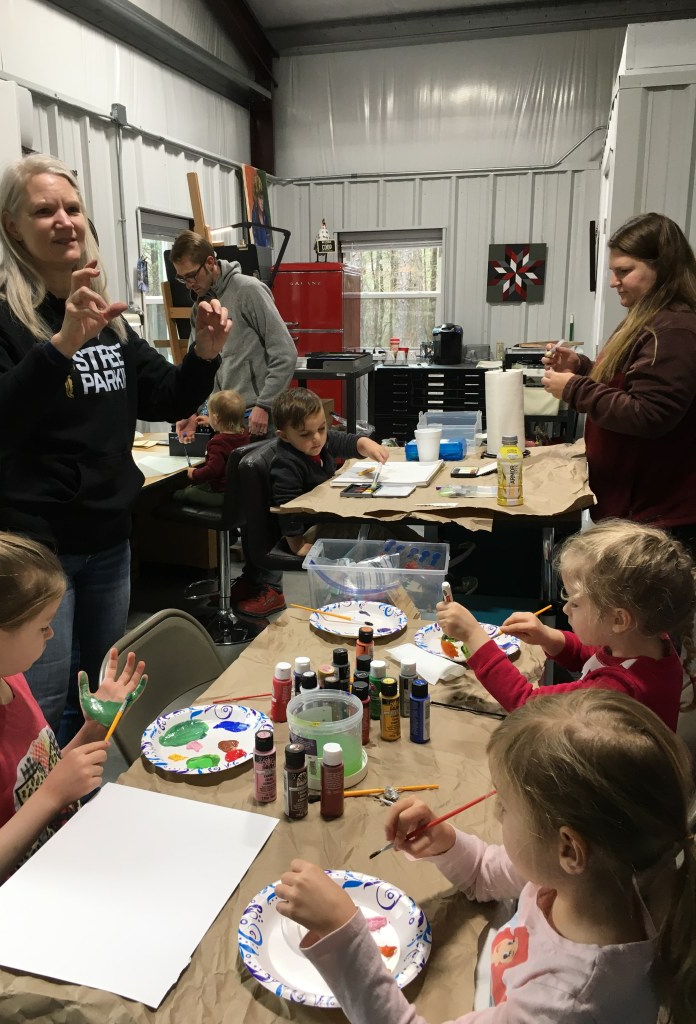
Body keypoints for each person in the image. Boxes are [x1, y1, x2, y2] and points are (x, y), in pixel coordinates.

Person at [0, 154, 229, 743]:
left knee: (102, 700)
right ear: (13, 226)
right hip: (31, 553)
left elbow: (167, 394)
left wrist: (204, 352)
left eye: (72, 208)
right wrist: (60, 347)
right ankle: (39, 804)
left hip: (107, 543)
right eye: (43, 211)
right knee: (42, 708)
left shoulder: (108, 319)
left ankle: (90, 794)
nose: (64, 220)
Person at [276, 689, 696, 1024]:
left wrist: (343, 934)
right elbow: (486, 874)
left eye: (505, 805)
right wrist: (446, 844)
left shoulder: (568, 1003)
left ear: (569, 849)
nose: (495, 813)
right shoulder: (596, 876)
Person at [0, 530, 146, 968]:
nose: (52, 633)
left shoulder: (9, 681)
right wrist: (51, 795)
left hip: (49, 879)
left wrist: (95, 728)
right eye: (43, 625)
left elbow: (35, 779)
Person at [435, 519, 693, 730]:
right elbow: (594, 656)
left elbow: (527, 704)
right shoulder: (647, 642)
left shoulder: (619, 690)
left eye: (575, 602)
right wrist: (548, 636)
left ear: (618, 619)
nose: (566, 608)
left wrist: (473, 635)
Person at [542, 212, 696, 552]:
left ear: (662, 267)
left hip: (659, 519)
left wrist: (574, 388)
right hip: (638, 512)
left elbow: (649, 414)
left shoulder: (674, 330)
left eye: (624, 271)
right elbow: (629, 384)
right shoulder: (648, 318)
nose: (614, 282)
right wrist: (581, 367)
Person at [232, 387, 391, 617]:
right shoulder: (286, 464)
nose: (317, 438)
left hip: (323, 517)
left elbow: (338, 440)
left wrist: (364, 444)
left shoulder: (315, 443)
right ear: (284, 436)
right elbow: (287, 508)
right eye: (306, 434)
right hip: (307, 530)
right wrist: (297, 544)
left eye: (321, 428)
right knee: (379, 530)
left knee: (383, 525)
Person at [170, 229, 296, 442]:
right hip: (220, 422)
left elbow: (285, 353)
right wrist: (192, 412)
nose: (189, 284)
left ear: (210, 263)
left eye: (191, 275)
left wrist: (265, 405)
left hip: (256, 419)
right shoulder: (199, 309)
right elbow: (197, 369)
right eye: (182, 278)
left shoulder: (249, 290)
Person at [172, 389, 250, 508]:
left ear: (217, 418)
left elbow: (212, 470)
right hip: (238, 491)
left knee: (187, 493)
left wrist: (194, 474)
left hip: (223, 495)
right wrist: (211, 421)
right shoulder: (244, 433)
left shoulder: (218, 443)